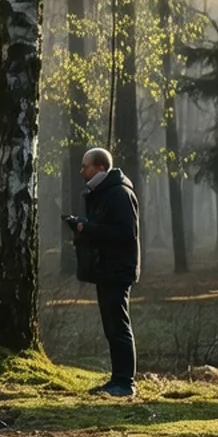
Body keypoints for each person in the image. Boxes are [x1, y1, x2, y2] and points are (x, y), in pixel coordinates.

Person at [72, 147, 140, 398]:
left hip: (117, 270)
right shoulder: (103, 193)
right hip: (107, 269)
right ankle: (117, 379)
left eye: (85, 166)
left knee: (119, 327)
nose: (82, 171)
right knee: (112, 327)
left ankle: (126, 383)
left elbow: (126, 233)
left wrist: (89, 229)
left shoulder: (119, 193)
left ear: (99, 167)